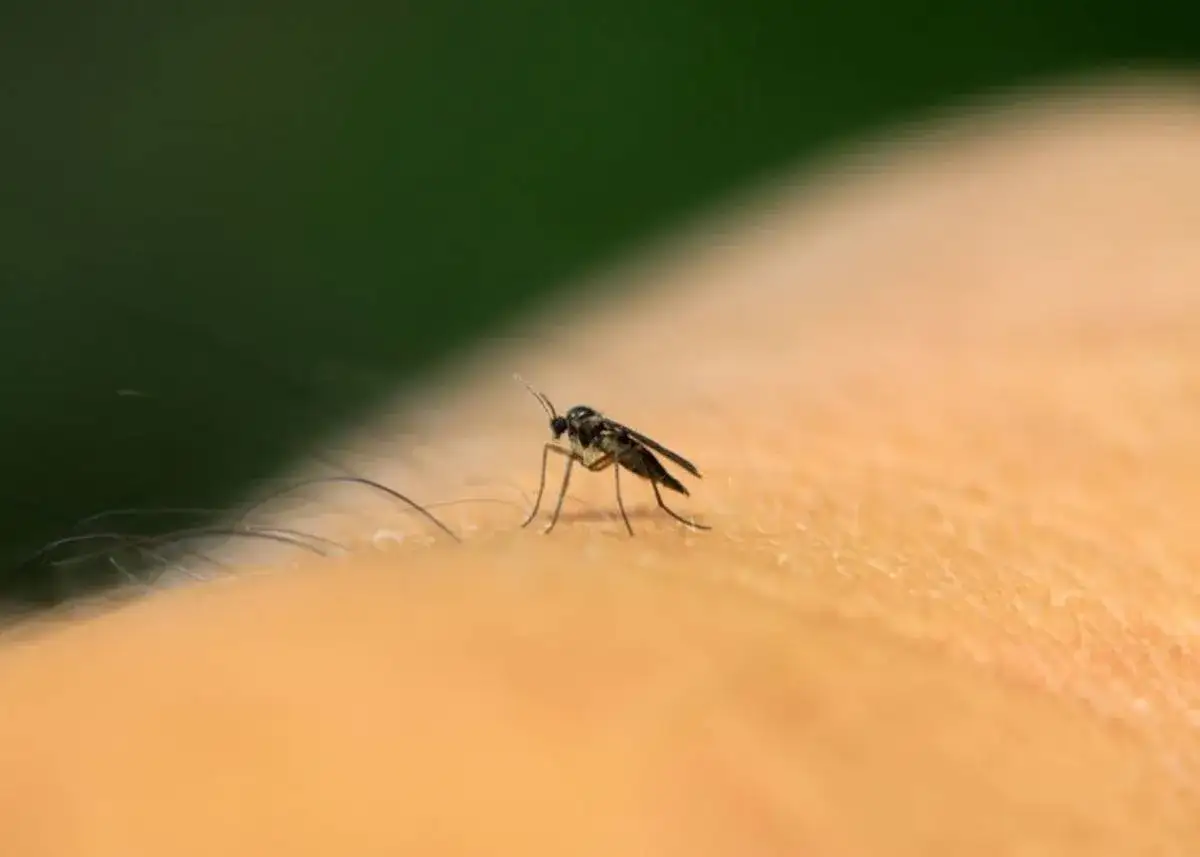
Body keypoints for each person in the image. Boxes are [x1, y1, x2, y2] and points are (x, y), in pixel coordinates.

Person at [2, 78, 1199, 855]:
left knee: (634, 482)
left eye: (573, 437)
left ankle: (637, 522)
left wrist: (621, 484)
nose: (574, 445)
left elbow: (622, 448)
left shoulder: (603, 442)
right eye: (576, 438)